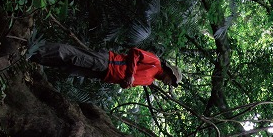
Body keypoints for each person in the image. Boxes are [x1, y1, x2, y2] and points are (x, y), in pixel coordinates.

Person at [29, 42, 181, 88]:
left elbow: (128, 81)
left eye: (171, 83)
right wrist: (129, 75)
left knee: (70, 68)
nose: (169, 82)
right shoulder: (155, 62)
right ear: (169, 71)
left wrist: (126, 83)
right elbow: (135, 52)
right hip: (108, 62)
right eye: (171, 79)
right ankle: (35, 50)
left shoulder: (149, 81)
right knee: (74, 57)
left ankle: (36, 58)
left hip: (105, 75)